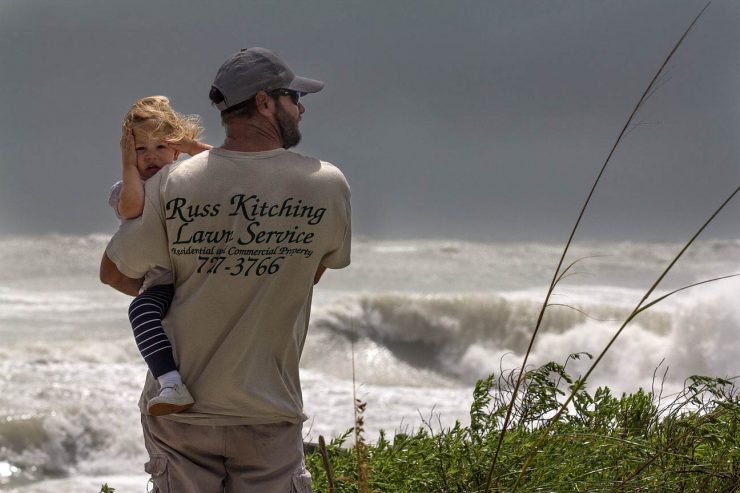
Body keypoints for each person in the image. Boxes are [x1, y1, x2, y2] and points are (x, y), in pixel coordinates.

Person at [100, 47, 351, 492]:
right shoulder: (326, 183)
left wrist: (194, 279)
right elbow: (309, 272)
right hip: (267, 408)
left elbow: (116, 273)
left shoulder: (174, 182)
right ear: (263, 101)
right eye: (293, 96)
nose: (302, 106)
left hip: (181, 411)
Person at [110, 96, 211, 416]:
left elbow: (229, 164)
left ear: (176, 149)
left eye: (161, 146)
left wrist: (189, 145)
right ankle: (170, 381)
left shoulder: (191, 177)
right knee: (140, 310)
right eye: (141, 149)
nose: (151, 156)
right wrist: (128, 166)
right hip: (163, 284)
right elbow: (132, 208)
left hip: (202, 275)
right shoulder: (127, 187)